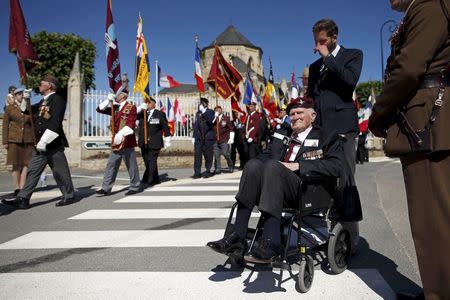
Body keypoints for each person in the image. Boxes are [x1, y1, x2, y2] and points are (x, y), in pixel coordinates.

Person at [369, 1, 450, 299]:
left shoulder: (428, 5)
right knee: (437, 218)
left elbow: (409, 68)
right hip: (432, 119)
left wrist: (379, 112)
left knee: (432, 222)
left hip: (427, 121)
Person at [207, 98, 344, 264]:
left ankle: (272, 243)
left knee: (273, 167)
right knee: (252, 165)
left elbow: (336, 167)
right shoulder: (282, 134)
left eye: (300, 113)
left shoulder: (325, 136)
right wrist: (256, 169)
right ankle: (238, 236)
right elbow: (264, 157)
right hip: (274, 188)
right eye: (291, 114)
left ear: (313, 116)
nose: (294, 117)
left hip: (307, 191)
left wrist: (298, 166)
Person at [2, 75, 75, 209]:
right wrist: (26, 99)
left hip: (52, 144)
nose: (39, 85)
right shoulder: (43, 101)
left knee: (60, 172)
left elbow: (55, 123)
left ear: (50, 86)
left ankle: (69, 195)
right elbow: (25, 110)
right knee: (32, 171)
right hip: (40, 145)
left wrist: (45, 141)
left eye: (42, 83)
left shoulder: (58, 100)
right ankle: (23, 199)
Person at [307, 19, 363, 177]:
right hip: (320, 130)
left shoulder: (353, 55)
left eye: (322, 41)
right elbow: (311, 97)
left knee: (345, 179)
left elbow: (350, 80)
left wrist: (328, 58)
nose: (318, 47)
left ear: (334, 37)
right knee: (322, 179)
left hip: (342, 127)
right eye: (316, 42)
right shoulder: (314, 67)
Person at [95, 88, 141, 196]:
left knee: (131, 165)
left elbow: (131, 124)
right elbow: (99, 109)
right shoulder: (115, 108)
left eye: (118, 94)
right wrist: (107, 100)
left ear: (123, 96)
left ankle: (135, 186)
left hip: (127, 141)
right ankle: (106, 188)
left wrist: (120, 134)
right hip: (116, 142)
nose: (116, 95)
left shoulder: (131, 107)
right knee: (111, 165)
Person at [2, 88, 34, 196]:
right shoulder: (10, 108)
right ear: (15, 96)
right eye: (18, 94)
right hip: (14, 140)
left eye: (22, 94)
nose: (21, 96)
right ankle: (16, 187)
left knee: (26, 164)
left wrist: (35, 140)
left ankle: (22, 186)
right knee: (15, 164)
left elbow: (33, 124)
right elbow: (5, 125)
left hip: (28, 140)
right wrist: (5, 141)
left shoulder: (29, 108)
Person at [137, 97, 171, 187]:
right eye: (146, 103)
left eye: (149, 103)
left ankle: (150, 180)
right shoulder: (141, 114)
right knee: (147, 161)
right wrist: (140, 108)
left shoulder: (160, 114)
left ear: (154, 104)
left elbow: (165, 127)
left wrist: (168, 138)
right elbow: (132, 115)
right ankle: (155, 179)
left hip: (155, 142)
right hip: (143, 142)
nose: (147, 104)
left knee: (152, 160)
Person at [192, 97, 215, 179]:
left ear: (206, 104)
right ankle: (197, 172)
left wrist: (204, 112)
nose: (200, 104)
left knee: (208, 155)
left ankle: (207, 171)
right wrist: (194, 136)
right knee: (197, 155)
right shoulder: (197, 113)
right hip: (198, 138)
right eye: (200, 103)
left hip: (208, 137)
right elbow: (196, 125)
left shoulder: (211, 112)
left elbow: (211, 120)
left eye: (202, 103)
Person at [212, 106, 234, 174]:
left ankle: (230, 165)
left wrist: (231, 138)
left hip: (224, 139)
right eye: (216, 110)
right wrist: (215, 117)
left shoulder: (226, 118)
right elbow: (211, 124)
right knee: (216, 155)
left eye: (219, 109)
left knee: (226, 154)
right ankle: (218, 169)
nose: (218, 111)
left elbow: (231, 128)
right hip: (215, 140)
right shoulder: (214, 119)